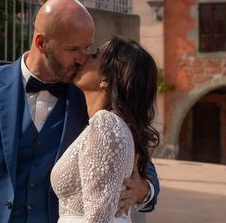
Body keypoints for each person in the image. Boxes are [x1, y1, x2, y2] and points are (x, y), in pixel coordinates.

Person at [0, 0, 158, 223]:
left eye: (87, 48)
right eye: (73, 49)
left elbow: (132, 154)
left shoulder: (91, 102)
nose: (82, 58)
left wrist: (144, 190)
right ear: (41, 43)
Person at [51, 36, 159, 223]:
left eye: (93, 56)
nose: (82, 58)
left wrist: (146, 189)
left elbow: (99, 218)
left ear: (106, 80)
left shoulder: (106, 124)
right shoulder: (114, 124)